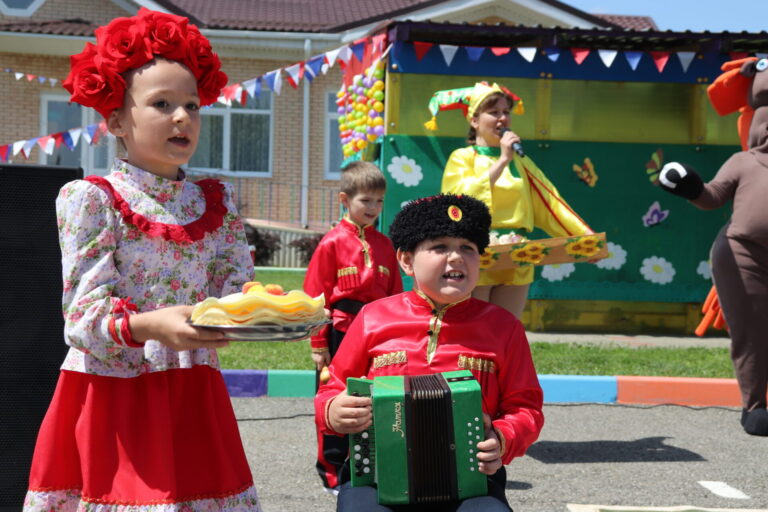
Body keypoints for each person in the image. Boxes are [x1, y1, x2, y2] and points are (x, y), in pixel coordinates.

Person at [23, 9, 262, 511]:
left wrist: (261, 311)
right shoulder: (92, 199)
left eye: (193, 106)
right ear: (116, 120)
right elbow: (82, 320)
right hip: (115, 392)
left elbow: (235, 291)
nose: (183, 117)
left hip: (194, 389)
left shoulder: (216, 200)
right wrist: (152, 325)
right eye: (162, 104)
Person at [315, 193, 544, 511]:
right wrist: (333, 411)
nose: (456, 258)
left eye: (468, 248)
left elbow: (526, 407)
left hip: (472, 481)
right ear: (406, 260)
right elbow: (332, 389)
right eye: (440, 247)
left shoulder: (503, 327)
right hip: (377, 477)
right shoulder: (372, 318)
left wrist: (503, 439)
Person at [658, 57, 768, 436]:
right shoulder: (744, 160)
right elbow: (712, 197)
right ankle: (754, 405)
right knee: (751, 333)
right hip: (743, 256)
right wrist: (688, 185)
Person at [429, 82, 593, 319]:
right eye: (493, 112)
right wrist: (503, 160)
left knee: (506, 329)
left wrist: (584, 238)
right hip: (477, 251)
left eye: (506, 112)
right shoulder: (463, 157)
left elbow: (550, 202)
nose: (502, 118)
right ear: (474, 120)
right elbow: (459, 202)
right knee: (474, 328)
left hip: (517, 254)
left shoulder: (521, 162)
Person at [303, 160, 403, 493]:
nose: (373, 207)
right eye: (366, 200)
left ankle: (370, 463)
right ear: (345, 200)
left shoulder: (386, 245)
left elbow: (396, 296)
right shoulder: (331, 243)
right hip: (339, 331)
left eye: (379, 201)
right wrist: (320, 345)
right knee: (336, 401)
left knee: (372, 401)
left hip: (376, 334)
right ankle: (331, 470)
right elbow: (314, 297)